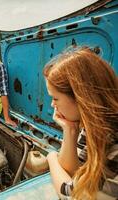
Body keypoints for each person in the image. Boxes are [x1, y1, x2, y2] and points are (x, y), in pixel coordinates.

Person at [44, 47, 118, 199]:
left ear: (80, 98)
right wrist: (70, 130)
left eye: (55, 98)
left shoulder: (114, 144)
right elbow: (74, 172)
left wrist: (51, 157)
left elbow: (71, 193)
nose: (52, 105)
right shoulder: (95, 125)